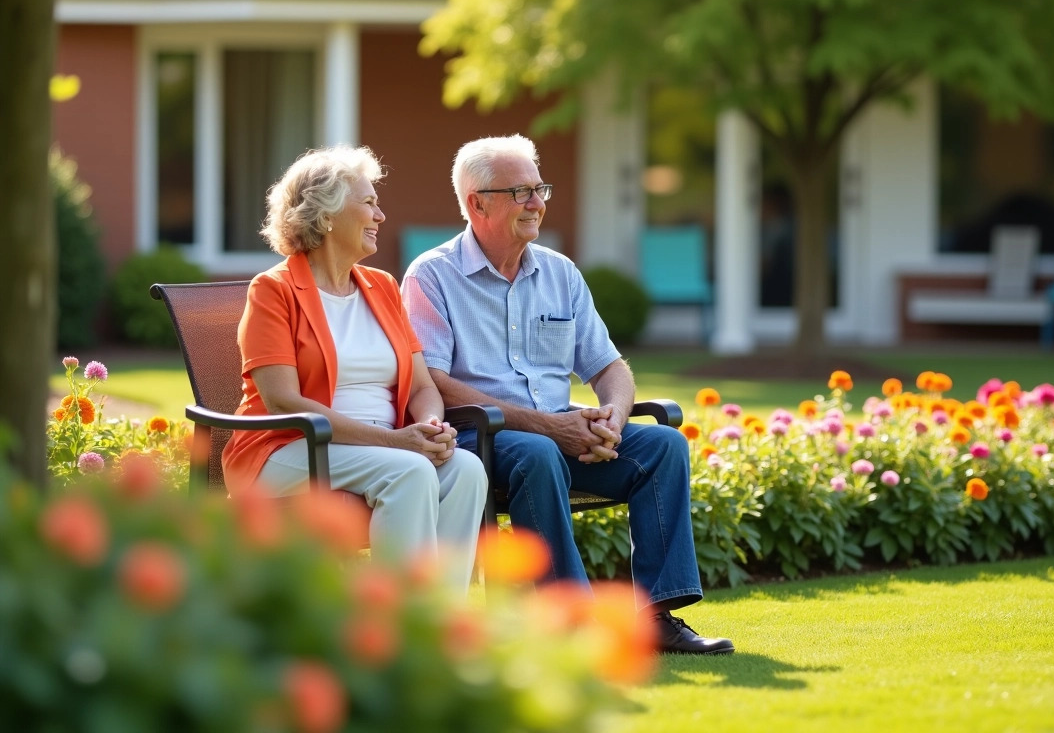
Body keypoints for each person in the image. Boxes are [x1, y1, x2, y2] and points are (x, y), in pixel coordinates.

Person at [403, 134, 735, 654]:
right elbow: (435, 383)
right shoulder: (432, 276)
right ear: (477, 203)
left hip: (562, 435)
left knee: (663, 446)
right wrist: (547, 427)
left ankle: (657, 617)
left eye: (540, 189)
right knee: (537, 452)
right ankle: (566, 622)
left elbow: (609, 366)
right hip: (481, 438)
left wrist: (613, 418)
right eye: (521, 192)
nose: (537, 203)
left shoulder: (560, 273)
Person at [222, 145, 488, 591]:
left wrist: (429, 425)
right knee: (410, 471)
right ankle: (394, 633)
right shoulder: (273, 290)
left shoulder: (382, 287)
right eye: (368, 202)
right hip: (289, 447)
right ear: (325, 215)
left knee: (465, 469)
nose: (381, 215)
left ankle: (441, 633)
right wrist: (396, 442)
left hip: (383, 448)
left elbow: (423, 384)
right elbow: (282, 399)